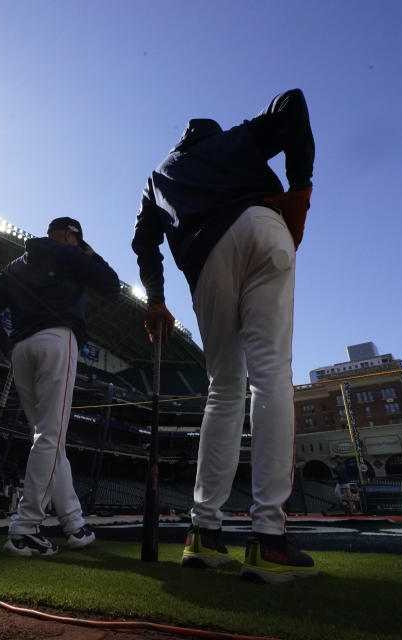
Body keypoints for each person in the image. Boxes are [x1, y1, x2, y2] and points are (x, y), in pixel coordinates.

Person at [131, 89, 317, 583]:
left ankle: (203, 534)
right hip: (261, 224)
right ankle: (269, 539)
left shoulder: (159, 175)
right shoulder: (236, 139)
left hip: (205, 255)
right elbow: (292, 103)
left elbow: (143, 241)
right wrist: (300, 188)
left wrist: (155, 298)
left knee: (224, 387)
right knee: (271, 374)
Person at [0, 217, 120, 556]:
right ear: (71, 235)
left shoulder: (14, 264)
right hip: (57, 340)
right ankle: (25, 527)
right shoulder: (70, 252)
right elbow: (112, 286)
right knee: (51, 437)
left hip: (21, 350)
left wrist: (8, 347)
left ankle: (74, 523)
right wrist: (91, 253)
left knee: (47, 438)